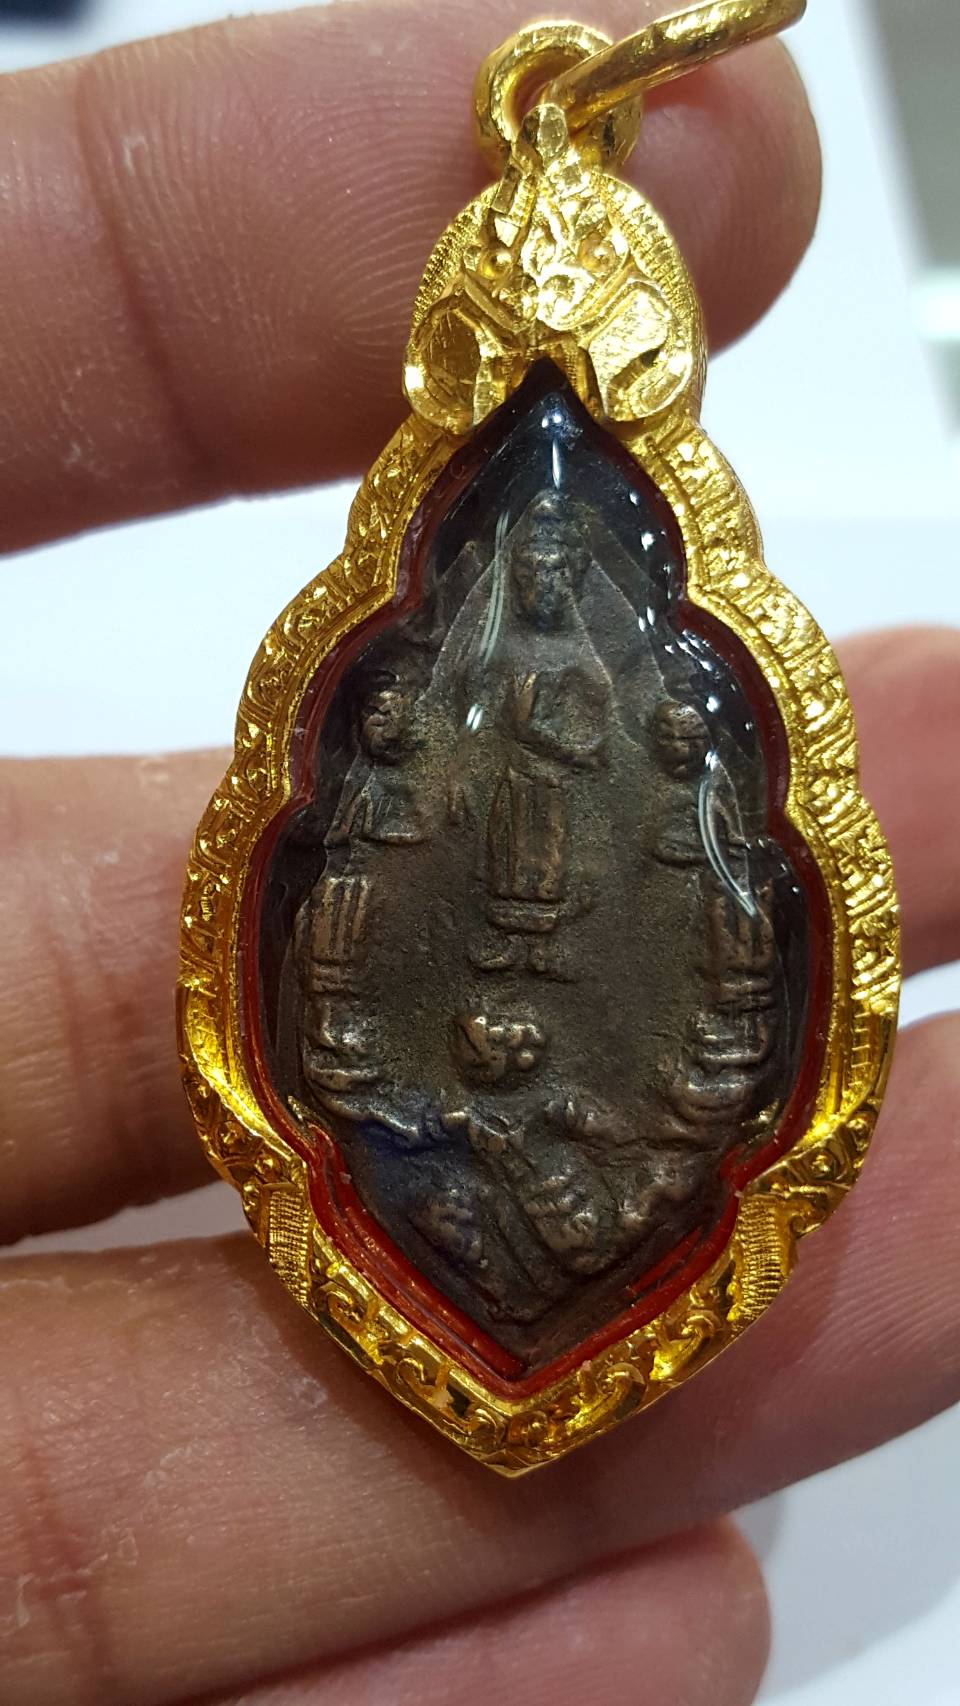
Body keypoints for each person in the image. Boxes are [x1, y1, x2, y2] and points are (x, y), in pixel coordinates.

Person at [0, 9, 956, 1706]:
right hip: (438, 946)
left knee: (641, 948)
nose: (549, 585)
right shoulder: (445, 697)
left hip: (595, 938)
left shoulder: (637, 701)